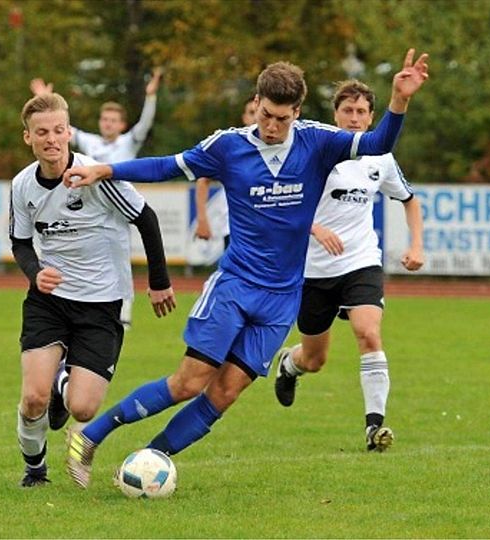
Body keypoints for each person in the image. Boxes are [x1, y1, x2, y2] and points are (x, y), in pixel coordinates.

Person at [60, 48, 429, 489]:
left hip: (281, 300)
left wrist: (399, 102)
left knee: (225, 393)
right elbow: (168, 166)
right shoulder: (228, 145)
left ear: (297, 111)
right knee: (189, 382)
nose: (272, 127)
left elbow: (377, 144)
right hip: (235, 285)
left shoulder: (318, 141)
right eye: (266, 115)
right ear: (257, 102)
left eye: (282, 119)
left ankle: (150, 461)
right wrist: (106, 169)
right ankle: (90, 437)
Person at [10, 92, 177, 487]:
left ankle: (62, 383)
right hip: (49, 303)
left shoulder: (96, 176)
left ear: (69, 132)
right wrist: (35, 273)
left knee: (82, 409)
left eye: (58, 130)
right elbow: (19, 242)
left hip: (102, 304)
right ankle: (35, 470)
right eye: (41, 132)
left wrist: (159, 282)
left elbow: (146, 218)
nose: (51, 139)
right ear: (28, 138)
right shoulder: (22, 186)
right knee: (33, 398)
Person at [273, 79, 425, 452]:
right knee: (315, 359)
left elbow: (409, 200)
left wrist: (417, 244)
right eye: (347, 111)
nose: (354, 118)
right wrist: (314, 227)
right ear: (335, 114)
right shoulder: (315, 152)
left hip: (360, 261)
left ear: (372, 117)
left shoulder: (381, 159)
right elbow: (283, 203)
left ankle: (375, 428)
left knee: (369, 333)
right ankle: (289, 366)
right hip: (313, 269)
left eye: (361, 112)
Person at [30, 67, 165, 329]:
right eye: (105, 119)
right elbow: (61, 128)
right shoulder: (90, 142)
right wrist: (47, 99)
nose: (108, 124)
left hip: (119, 208)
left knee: (119, 255)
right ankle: (74, 304)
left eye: (113, 120)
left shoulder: (128, 142)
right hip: (90, 208)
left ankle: (123, 309)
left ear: (122, 125)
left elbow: (145, 124)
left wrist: (150, 97)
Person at [191, 95, 257, 251]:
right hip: (235, 231)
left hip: (268, 231)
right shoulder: (231, 147)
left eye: (259, 112)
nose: (256, 117)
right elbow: (203, 179)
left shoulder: (279, 147)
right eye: (251, 112)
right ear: (244, 117)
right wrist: (202, 220)